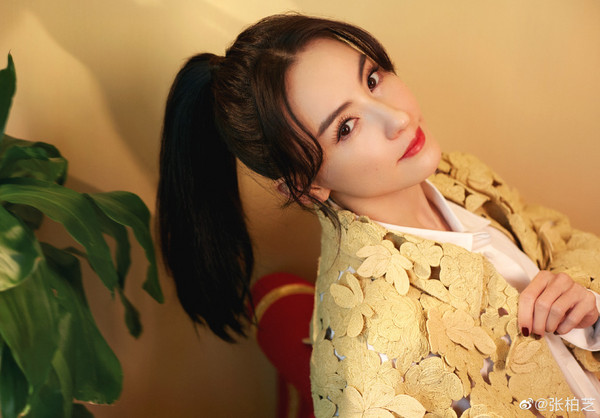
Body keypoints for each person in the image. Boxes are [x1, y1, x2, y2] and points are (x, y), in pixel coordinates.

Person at [157, 13, 600, 417]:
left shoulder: (458, 175)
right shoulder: (369, 351)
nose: (397, 118)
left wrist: (587, 300)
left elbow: (561, 240)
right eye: (346, 127)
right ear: (305, 186)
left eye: (372, 79)